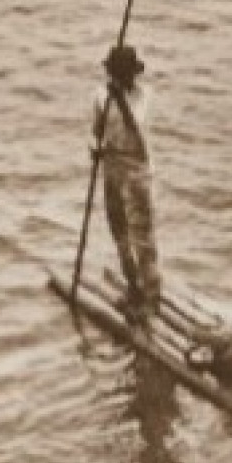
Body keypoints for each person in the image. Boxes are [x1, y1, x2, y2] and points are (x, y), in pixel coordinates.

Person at [90, 44, 161, 314]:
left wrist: (120, 99)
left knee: (143, 236)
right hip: (112, 166)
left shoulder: (143, 96)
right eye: (118, 75)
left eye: (125, 75)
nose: (123, 80)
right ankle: (133, 286)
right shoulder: (100, 96)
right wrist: (95, 149)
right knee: (118, 230)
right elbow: (96, 131)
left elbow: (137, 131)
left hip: (137, 168)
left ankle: (152, 298)